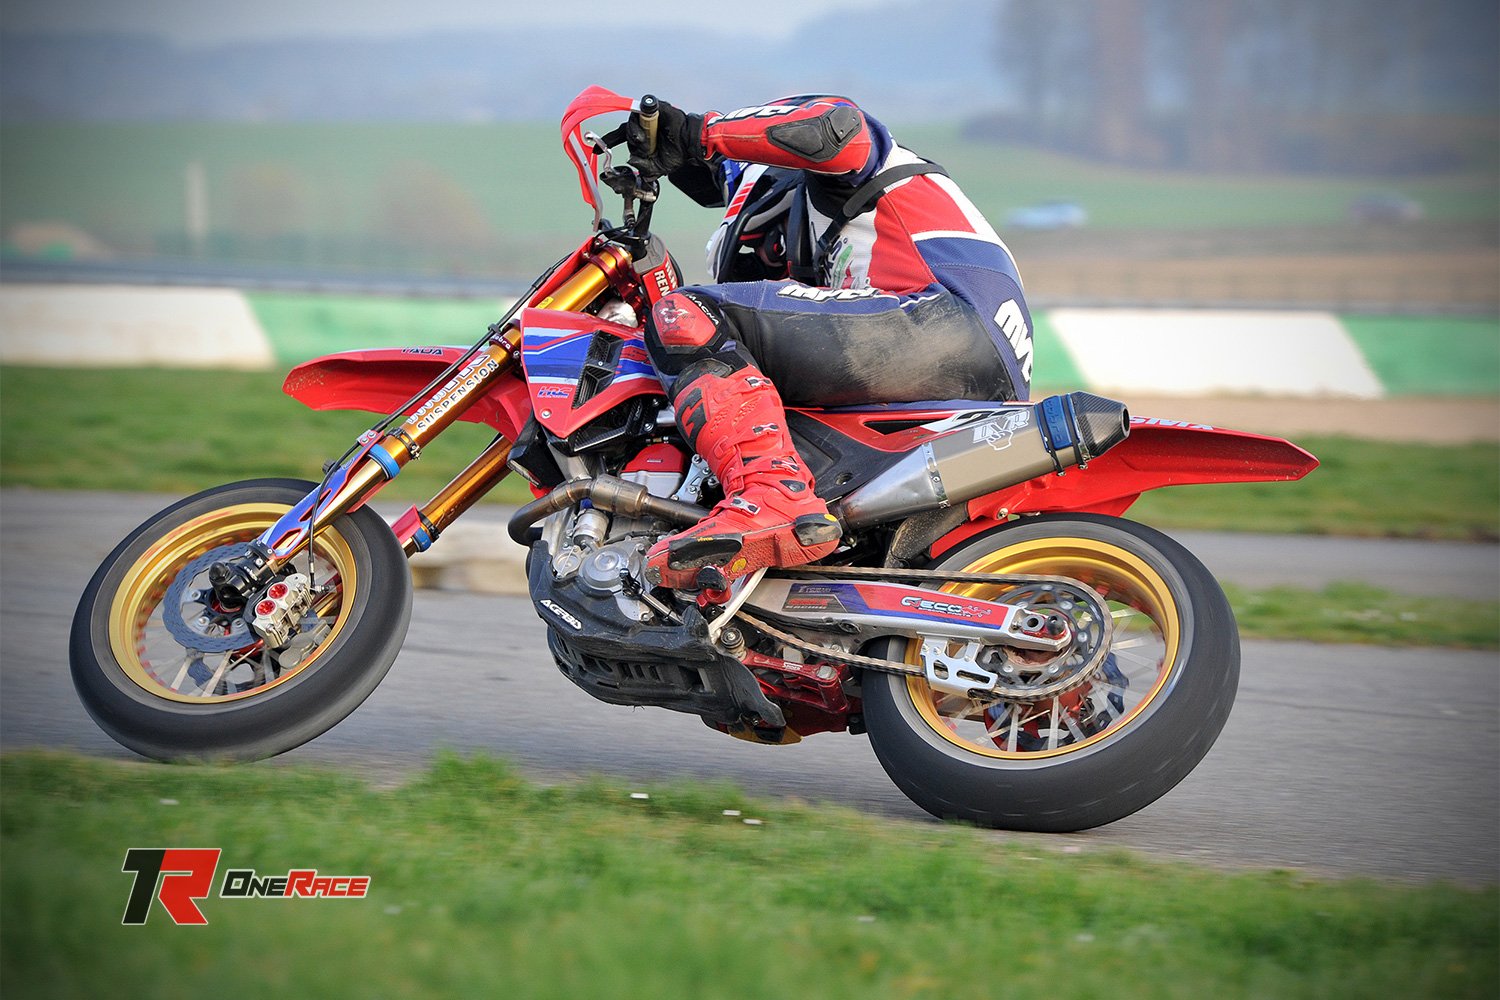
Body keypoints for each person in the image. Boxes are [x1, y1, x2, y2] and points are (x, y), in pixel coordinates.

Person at [626, 95, 1034, 592]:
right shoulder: (835, 233)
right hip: (964, 360)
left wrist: (700, 133)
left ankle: (772, 494)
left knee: (687, 314)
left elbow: (835, 124)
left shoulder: (856, 168)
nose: (767, 266)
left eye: (764, 247)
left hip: (952, 319)